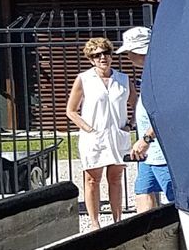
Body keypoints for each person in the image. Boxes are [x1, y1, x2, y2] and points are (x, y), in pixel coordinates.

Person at [66, 36, 130, 228]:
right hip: (94, 136)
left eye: (106, 53)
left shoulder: (122, 79)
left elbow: (135, 103)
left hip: (117, 135)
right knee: (92, 179)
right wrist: (88, 128)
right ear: (91, 59)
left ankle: (117, 220)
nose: (103, 57)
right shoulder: (84, 79)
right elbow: (71, 110)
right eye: (97, 55)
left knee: (116, 178)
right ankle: (95, 223)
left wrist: (129, 125)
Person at [121, 26, 175, 210]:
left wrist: (146, 139)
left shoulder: (160, 75)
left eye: (130, 51)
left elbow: (165, 112)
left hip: (162, 153)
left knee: (175, 200)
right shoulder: (150, 72)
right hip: (150, 154)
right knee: (142, 191)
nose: (127, 56)